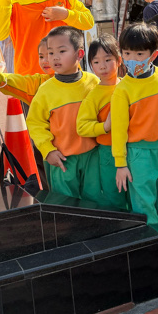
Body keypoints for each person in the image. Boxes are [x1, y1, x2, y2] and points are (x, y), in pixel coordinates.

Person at [110, 23, 158, 280]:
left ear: (154, 54)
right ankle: (155, 248)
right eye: (127, 53)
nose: (132, 59)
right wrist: (121, 163)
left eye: (139, 54)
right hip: (138, 153)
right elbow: (119, 130)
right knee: (144, 202)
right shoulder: (122, 89)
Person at [26, 27, 98, 197]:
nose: (54, 57)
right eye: (50, 53)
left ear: (79, 54)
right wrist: (48, 150)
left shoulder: (93, 82)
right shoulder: (45, 90)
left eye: (62, 51)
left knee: (94, 202)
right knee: (65, 204)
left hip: (93, 157)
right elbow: (35, 123)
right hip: (62, 160)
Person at [76, 36, 129, 212]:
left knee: (136, 191)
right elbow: (82, 126)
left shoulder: (128, 86)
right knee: (114, 192)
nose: (103, 66)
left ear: (119, 60)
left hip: (133, 147)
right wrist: (104, 127)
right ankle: (121, 224)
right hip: (108, 152)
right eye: (96, 62)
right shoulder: (94, 95)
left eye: (108, 60)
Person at [0, 37, 53, 106]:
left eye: (50, 55)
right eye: (41, 57)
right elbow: (21, 82)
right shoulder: (41, 83)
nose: (44, 61)